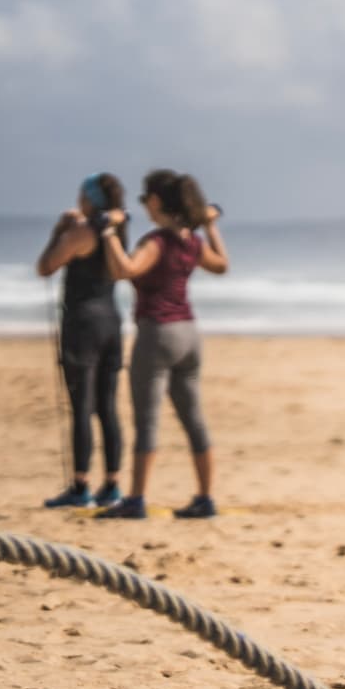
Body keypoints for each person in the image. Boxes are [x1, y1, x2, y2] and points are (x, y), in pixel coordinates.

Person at [94, 170, 230, 520]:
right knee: (193, 417)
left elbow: (125, 269)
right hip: (188, 333)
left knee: (148, 420)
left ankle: (136, 499)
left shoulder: (156, 242)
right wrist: (210, 226)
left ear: (156, 201)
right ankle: (205, 497)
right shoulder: (192, 241)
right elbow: (221, 265)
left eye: (145, 199)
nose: (145, 206)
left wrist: (108, 230)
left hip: (157, 333)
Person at [35, 174, 128, 508]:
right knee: (108, 408)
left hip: (82, 325)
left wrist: (58, 232)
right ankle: (113, 483)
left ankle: (80, 485)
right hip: (111, 322)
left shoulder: (82, 232)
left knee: (81, 408)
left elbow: (45, 267)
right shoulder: (114, 232)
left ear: (91, 201)